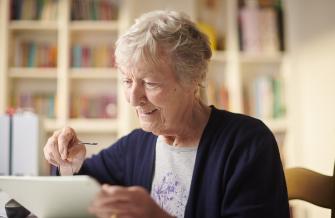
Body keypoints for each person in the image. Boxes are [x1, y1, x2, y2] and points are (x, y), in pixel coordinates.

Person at [43, 10, 290, 218]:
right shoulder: (136, 145)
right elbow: (78, 194)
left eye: (150, 84)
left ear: (193, 80)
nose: (132, 98)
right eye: (127, 81)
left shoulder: (247, 143)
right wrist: (68, 164)